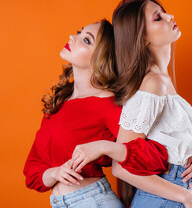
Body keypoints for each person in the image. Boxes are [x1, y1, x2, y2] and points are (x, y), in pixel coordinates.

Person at [70, 0, 192, 208]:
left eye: (164, 12)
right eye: (158, 18)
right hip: (166, 196)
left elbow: (173, 142)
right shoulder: (152, 84)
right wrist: (186, 197)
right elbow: (121, 168)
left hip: (173, 193)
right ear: (143, 39)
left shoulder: (161, 81)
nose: (169, 16)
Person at [23, 19, 169, 208]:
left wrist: (104, 146)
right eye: (79, 32)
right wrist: (55, 173)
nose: (72, 38)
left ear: (101, 58)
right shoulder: (59, 102)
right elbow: (32, 170)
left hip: (93, 202)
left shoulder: (107, 105)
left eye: (86, 40)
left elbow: (153, 156)